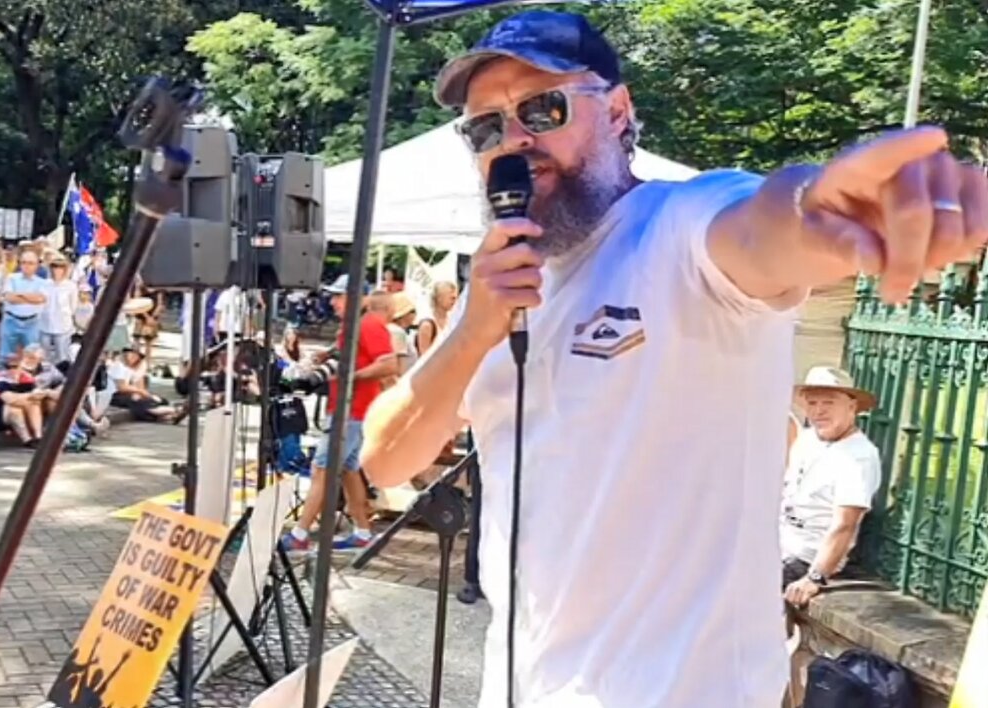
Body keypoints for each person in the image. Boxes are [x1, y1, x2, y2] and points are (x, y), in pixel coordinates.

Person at [359, 11, 988, 707]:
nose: (516, 140)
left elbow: (765, 228)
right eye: (486, 127)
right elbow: (386, 461)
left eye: (543, 106)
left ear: (619, 112)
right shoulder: (496, 289)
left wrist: (829, 210)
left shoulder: (679, 224)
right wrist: (474, 327)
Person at [282, 273, 398, 552]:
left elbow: (389, 364)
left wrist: (350, 377)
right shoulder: (355, 326)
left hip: (352, 411)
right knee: (348, 470)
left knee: (322, 468)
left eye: (338, 296)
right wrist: (329, 355)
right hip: (352, 410)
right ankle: (362, 532)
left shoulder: (369, 325)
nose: (332, 301)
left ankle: (300, 534)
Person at [781, 367, 882, 607]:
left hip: (805, 557)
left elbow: (844, 524)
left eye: (829, 402)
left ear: (852, 406)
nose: (819, 410)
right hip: (777, 546)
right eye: (813, 402)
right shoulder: (807, 440)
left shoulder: (859, 456)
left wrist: (814, 578)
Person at [0, 248, 48, 364]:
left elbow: (40, 299)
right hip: (11, 320)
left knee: (32, 356)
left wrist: (19, 294)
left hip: (32, 322)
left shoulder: (42, 282)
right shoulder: (11, 278)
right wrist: (30, 297)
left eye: (30, 263)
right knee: (7, 357)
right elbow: (10, 298)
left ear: (37, 265)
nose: (26, 266)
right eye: (24, 262)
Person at [415, 280, 458, 358]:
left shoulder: (453, 320)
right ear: (439, 298)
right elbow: (424, 357)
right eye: (451, 298)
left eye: (455, 298)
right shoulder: (427, 325)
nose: (454, 301)